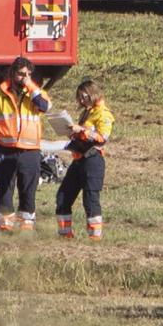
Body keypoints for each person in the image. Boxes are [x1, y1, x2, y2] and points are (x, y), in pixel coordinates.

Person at [0, 57, 52, 232]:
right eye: (21, 74)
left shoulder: (36, 94)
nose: (25, 78)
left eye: (29, 74)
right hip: (6, 147)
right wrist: (4, 134)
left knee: (29, 185)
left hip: (30, 149)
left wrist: (32, 87)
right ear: (12, 74)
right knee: (5, 185)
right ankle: (4, 221)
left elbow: (45, 107)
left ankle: (26, 221)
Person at [56, 79, 114, 240]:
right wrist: (74, 133)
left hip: (93, 160)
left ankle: (94, 237)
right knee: (63, 196)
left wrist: (82, 131)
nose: (81, 101)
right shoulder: (87, 112)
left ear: (93, 94)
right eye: (79, 98)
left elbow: (102, 138)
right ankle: (64, 234)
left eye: (84, 97)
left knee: (90, 198)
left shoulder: (103, 114)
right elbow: (85, 134)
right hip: (79, 159)